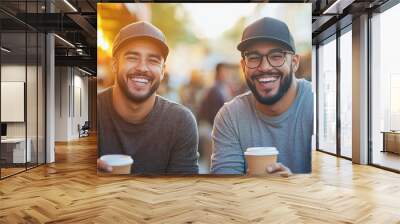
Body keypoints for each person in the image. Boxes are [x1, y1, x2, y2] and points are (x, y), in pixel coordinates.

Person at [210, 17, 313, 176]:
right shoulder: (230, 117)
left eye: (276, 56)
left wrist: (293, 187)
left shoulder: (318, 104)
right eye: (253, 58)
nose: (264, 67)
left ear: (294, 62)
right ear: (243, 66)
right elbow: (224, 190)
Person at [97, 21, 199, 174]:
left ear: (163, 71)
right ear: (115, 64)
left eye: (153, 60)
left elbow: (184, 191)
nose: (142, 68)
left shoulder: (180, 122)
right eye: (132, 57)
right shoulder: (90, 111)